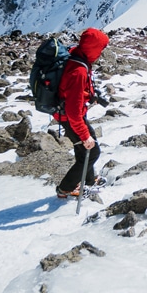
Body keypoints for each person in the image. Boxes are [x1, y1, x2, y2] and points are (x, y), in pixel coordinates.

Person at [53, 27, 109, 198]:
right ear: (93, 48)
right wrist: (84, 136)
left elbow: (72, 91)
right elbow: (73, 111)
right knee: (91, 151)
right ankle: (65, 188)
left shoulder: (77, 55)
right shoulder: (78, 71)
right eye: (100, 49)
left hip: (69, 113)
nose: (101, 53)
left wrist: (90, 96)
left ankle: (89, 180)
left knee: (86, 149)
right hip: (69, 116)